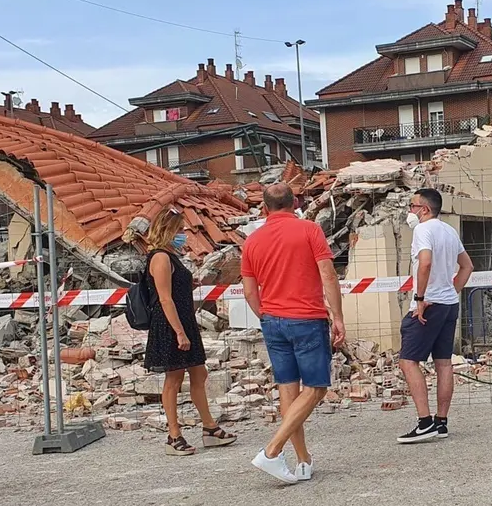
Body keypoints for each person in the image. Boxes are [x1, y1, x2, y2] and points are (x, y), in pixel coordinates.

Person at [241, 183, 346, 484]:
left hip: (272, 320)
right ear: (295, 202)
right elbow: (327, 274)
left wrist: (265, 314)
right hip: (306, 318)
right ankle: (272, 451)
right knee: (315, 388)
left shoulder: (253, 241)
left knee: (288, 391)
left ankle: (303, 461)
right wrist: (337, 316)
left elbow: (249, 290)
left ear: (264, 208)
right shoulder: (310, 230)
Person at [143, 208, 237, 455]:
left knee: (199, 373)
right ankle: (174, 435)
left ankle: (209, 427)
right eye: (180, 230)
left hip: (184, 322)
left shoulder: (172, 256)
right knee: (173, 379)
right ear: (168, 230)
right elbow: (165, 299)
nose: (184, 234)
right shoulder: (160, 257)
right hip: (170, 325)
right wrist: (179, 333)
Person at [396, 188, 474, 444]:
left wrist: (419, 298)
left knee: (408, 361)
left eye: (412, 206)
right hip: (449, 304)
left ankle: (424, 422)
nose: (410, 211)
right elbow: (467, 266)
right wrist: (452, 291)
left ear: (424, 209)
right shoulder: (449, 231)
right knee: (443, 363)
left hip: (428, 304)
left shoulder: (423, 230)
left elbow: (425, 262)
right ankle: (441, 422)